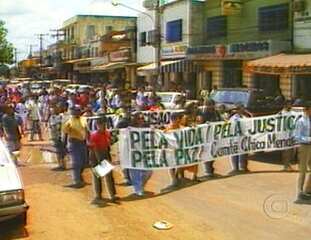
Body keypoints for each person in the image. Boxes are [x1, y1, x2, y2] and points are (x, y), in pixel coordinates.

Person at [89, 116, 118, 206]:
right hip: (96, 155)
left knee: (109, 175)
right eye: (101, 124)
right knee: (98, 176)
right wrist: (101, 161)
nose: (103, 126)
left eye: (104, 124)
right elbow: (95, 149)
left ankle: (112, 195)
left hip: (104, 153)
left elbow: (109, 143)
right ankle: (98, 196)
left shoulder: (106, 133)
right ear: (97, 125)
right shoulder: (94, 135)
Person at [62, 106, 88, 188]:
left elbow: (86, 130)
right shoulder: (69, 122)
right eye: (76, 111)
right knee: (76, 163)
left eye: (79, 110)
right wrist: (64, 146)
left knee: (84, 163)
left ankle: (79, 177)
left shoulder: (83, 119)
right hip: (74, 143)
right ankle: (76, 180)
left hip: (83, 143)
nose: (78, 112)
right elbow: (65, 134)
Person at [128, 112, 153, 196]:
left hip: (144, 152)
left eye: (142, 118)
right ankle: (138, 189)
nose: (141, 120)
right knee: (135, 172)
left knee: (149, 171)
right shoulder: (129, 129)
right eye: (139, 118)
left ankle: (140, 186)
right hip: (133, 153)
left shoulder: (146, 128)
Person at [294, 103, 311, 203]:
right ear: (306, 110)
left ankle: (308, 190)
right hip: (304, 146)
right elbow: (297, 136)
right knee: (303, 170)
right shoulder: (301, 121)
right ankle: (300, 193)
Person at [200, 99, 222, 178]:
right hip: (206, 136)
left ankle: (210, 167)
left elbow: (220, 120)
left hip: (215, 135)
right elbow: (201, 123)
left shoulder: (216, 112)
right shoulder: (204, 113)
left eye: (212, 104)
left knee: (214, 152)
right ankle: (207, 171)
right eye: (208, 105)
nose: (210, 106)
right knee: (207, 152)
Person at [228, 104, 249, 175]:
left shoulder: (244, 116)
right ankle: (235, 168)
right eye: (242, 108)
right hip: (235, 138)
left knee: (243, 152)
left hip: (243, 137)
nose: (243, 110)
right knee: (235, 152)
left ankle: (242, 167)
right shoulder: (234, 118)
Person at [48, 106, 66, 171]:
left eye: (52, 110)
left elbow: (58, 127)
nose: (51, 111)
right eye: (51, 110)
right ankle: (60, 164)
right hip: (54, 136)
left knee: (59, 152)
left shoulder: (59, 117)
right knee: (57, 151)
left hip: (58, 137)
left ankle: (62, 165)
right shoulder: (51, 117)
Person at [280, 100, 295, 171]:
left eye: (291, 104)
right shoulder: (281, 113)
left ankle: (288, 164)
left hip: (291, 135)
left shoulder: (293, 113)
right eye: (289, 104)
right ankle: (285, 165)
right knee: (285, 152)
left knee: (291, 151)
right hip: (284, 136)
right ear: (285, 105)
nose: (290, 106)